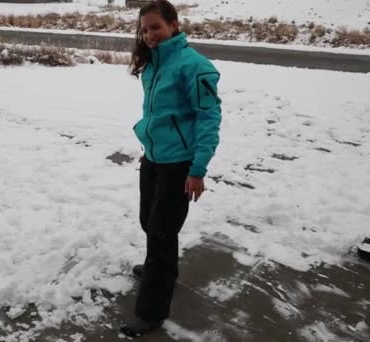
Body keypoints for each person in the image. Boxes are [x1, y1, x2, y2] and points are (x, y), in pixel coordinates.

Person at [120, 0, 222, 337]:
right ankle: (160, 270)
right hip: (155, 158)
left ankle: (151, 311)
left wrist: (198, 170)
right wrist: (149, 148)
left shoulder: (194, 66)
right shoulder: (152, 63)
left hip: (180, 164)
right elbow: (158, 115)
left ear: (174, 25)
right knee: (150, 222)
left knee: (162, 232)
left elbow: (209, 117)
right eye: (145, 29)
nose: (149, 35)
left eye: (156, 28)